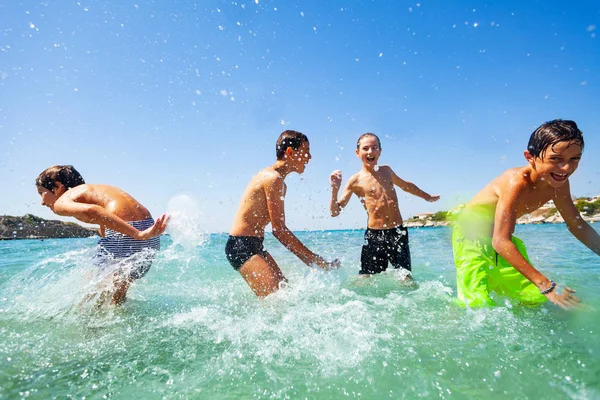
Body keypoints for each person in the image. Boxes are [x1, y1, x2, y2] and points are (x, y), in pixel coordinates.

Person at [452, 119, 600, 309]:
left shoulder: (559, 185)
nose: (566, 168)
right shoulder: (516, 182)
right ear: (530, 157)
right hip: (470, 238)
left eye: (575, 159)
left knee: (532, 300)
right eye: (555, 159)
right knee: (476, 306)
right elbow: (500, 241)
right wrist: (546, 285)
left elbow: (577, 225)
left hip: (502, 241)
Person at [225, 130, 339, 297]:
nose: (309, 157)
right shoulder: (273, 178)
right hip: (241, 246)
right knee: (276, 301)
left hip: (254, 245)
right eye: (306, 151)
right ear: (290, 153)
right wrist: (316, 259)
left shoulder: (281, 183)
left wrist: (315, 264)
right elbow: (279, 231)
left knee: (285, 293)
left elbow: (280, 232)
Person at [35, 165, 169, 305]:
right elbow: (106, 213)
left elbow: (94, 211)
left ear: (57, 187)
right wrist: (141, 233)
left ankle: (88, 326)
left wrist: (138, 234)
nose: (42, 202)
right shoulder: (94, 189)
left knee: (91, 295)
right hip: (150, 229)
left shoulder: (61, 202)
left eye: (42, 193)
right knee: (116, 296)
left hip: (134, 233)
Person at [329, 133, 440, 277]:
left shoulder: (387, 171)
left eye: (374, 148)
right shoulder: (354, 181)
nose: (370, 152)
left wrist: (427, 196)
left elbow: (406, 186)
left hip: (398, 233)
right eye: (365, 148)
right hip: (375, 235)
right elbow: (335, 212)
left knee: (405, 277)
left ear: (380, 151)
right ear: (358, 153)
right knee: (366, 279)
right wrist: (334, 190)